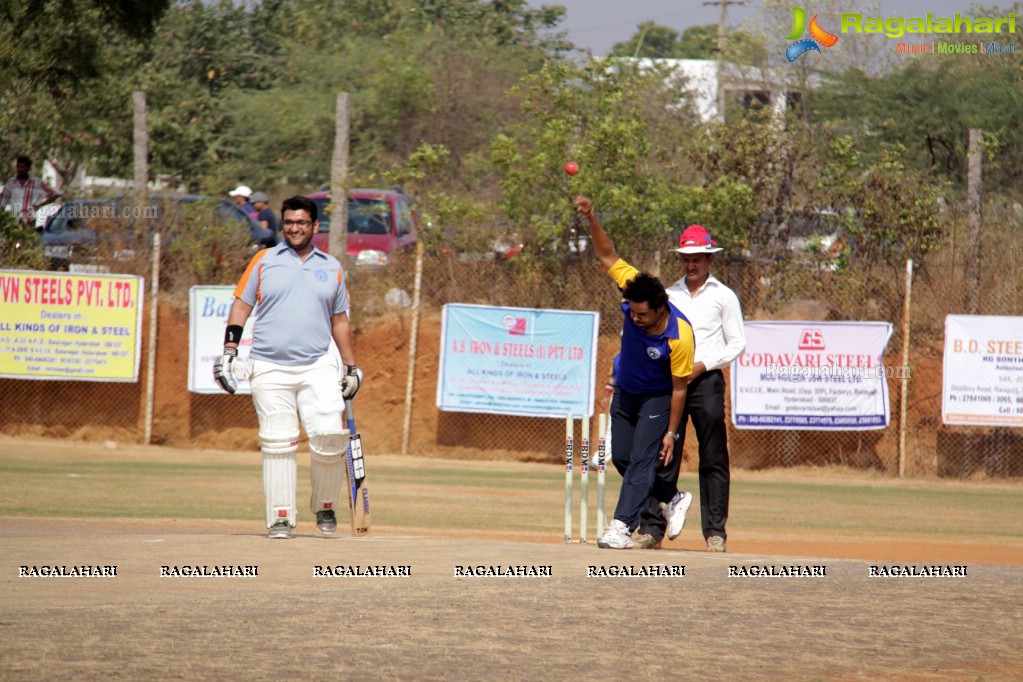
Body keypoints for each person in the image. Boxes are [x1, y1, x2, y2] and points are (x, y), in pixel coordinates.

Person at [213, 195, 364, 539]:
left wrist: (351, 367)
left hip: (319, 364)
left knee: (329, 437)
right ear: (283, 224)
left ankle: (325, 505)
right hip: (269, 365)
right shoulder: (264, 261)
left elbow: (339, 321)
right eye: (289, 222)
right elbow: (240, 307)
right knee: (278, 441)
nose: (295, 228)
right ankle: (281, 517)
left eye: (302, 223)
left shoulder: (332, 267)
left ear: (314, 226)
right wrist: (229, 351)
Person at [573, 195, 696, 550]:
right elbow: (607, 255)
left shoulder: (680, 335)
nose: (636, 319)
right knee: (623, 457)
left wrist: (671, 433)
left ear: (661, 308)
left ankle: (621, 527)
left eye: (643, 315)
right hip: (626, 392)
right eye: (633, 313)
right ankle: (672, 498)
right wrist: (592, 216)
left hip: (658, 398)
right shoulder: (633, 292)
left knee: (642, 459)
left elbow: (678, 389)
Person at [634, 224, 746, 552]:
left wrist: (704, 364)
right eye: (686, 258)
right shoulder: (668, 296)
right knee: (664, 452)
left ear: (710, 260)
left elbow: (737, 343)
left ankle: (715, 532)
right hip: (670, 382)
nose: (691, 264)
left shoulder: (724, 296)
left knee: (713, 456)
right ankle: (652, 528)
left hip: (706, 381)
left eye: (697, 258)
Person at [0, 156, 60, 227]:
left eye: (22, 167)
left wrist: (39, 206)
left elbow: (55, 194)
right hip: (14, 220)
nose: (19, 169)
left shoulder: (36, 182)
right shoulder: (11, 183)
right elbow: (3, 203)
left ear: (28, 168)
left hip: (30, 220)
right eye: (18, 167)